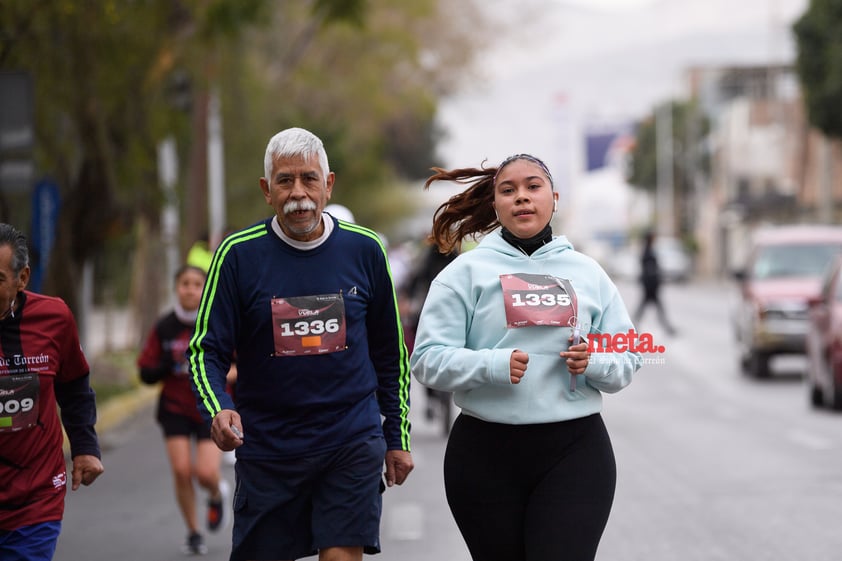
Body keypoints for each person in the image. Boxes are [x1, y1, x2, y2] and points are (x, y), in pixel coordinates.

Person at [187, 126, 413, 561]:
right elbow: (205, 350)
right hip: (269, 445)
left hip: (350, 437)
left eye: (309, 178)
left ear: (328, 185)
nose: (298, 193)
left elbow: (391, 353)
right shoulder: (237, 255)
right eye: (284, 181)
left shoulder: (365, 250)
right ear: (266, 190)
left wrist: (396, 435)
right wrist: (217, 407)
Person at [410, 154, 643, 561]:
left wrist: (595, 360)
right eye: (508, 190)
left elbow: (627, 355)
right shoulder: (464, 273)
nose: (522, 197)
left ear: (553, 198)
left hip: (575, 451)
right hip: (484, 454)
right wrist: (492, 366)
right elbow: (427, 359)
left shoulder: (588, 272)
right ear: (495, 204)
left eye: (533, 187)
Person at [0, 223, 104, 561]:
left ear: (22, 278)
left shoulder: (54, 317)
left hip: (35, 499)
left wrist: (85, 447)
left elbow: (74, 385)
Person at [137, 264, 231, 555]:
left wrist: (216, 373)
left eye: (196, 284)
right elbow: (146, 370)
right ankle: (193, 531)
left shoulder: (217, 321)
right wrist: (167, 366)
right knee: (181, 471)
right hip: (175, 408)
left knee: (204, 472)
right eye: (184, 284)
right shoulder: (165, 326)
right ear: (176, 288)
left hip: (209, 406)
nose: (190, 289)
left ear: (205, 289)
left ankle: (216, 493)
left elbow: (242, 364)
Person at [634, 229, 676, 335]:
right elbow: (649, 269)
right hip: (650, 286)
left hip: (651, 285)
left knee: (648, 309)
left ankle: (668, 328)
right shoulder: (647, 251)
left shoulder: (648, 250)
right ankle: (668, 329)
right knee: (647, 309)